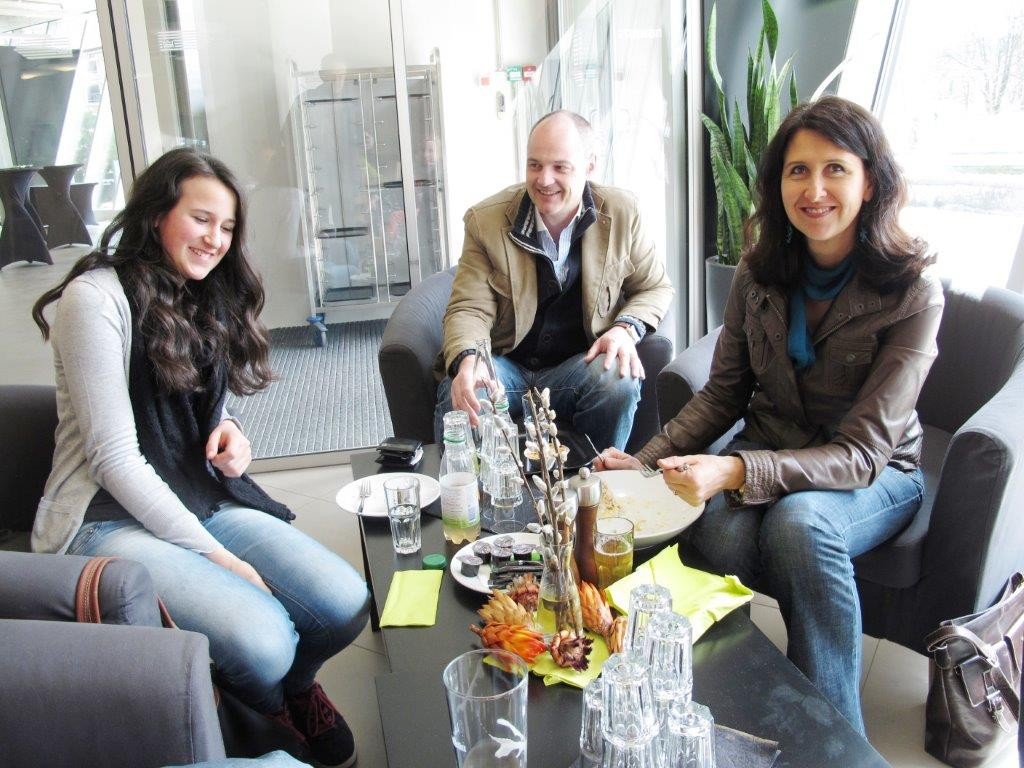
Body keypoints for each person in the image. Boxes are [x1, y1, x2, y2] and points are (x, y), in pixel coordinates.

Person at [597, 96, 943, 733]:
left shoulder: (912, 292)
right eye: (797, 170)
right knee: (713, 531)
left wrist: (734, 471)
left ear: (871, 182)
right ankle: (736, 705)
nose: (814, 190)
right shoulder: (758, 274)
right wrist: (641, 467)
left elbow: (862, 454)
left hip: (878, 473)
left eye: (835, 169)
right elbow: (722, 395)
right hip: (772, 446)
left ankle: (833, 739)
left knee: (800, 525)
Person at [31, 147, 368, 768]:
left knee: (344, 602)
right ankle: (264, 708)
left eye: (227, 226)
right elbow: (114, 459)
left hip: (194, 491)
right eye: (201, 218)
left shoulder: (197, 292)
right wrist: (218, 557)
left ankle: (293, 690)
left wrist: (230, 429)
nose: (215, 239)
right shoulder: (95, 299)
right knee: (265, 641)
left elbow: (192, 404)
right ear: (158, 213)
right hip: (103, 517)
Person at [434, 110, 673, 450]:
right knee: (467, 390)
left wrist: (625, 329)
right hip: (506, 365)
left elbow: (655, 287)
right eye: (535, 165)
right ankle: (469, 486)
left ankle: (599, 477)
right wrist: (470, 359)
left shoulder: (622, 212)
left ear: (590, 166)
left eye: (560, 167)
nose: (544, 180)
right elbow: (469, 307)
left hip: (580, 368)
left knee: (617, 378)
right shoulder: (485, 222)